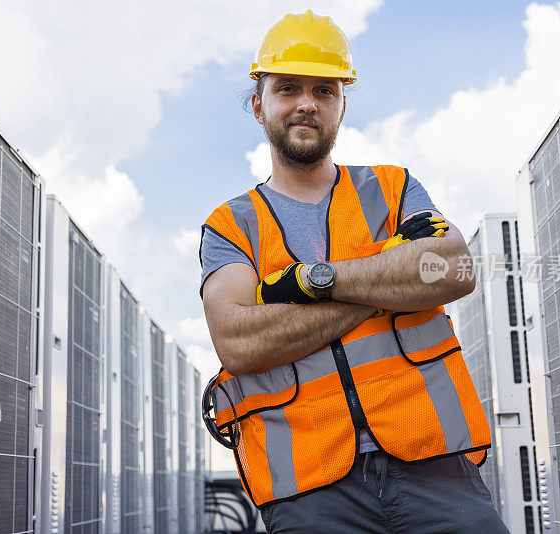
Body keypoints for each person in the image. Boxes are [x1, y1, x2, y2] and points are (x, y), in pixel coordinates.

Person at [199, 10, 509, 533]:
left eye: (324, 90)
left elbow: (453, 268)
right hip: (310, 488)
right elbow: (239, 343)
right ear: (259, 105)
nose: (306, 103)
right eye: (288, 88)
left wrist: (307, 283)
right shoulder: (232, 225)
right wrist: (390, 280)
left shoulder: (392, 188)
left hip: (433, 462)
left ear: (341, 105)